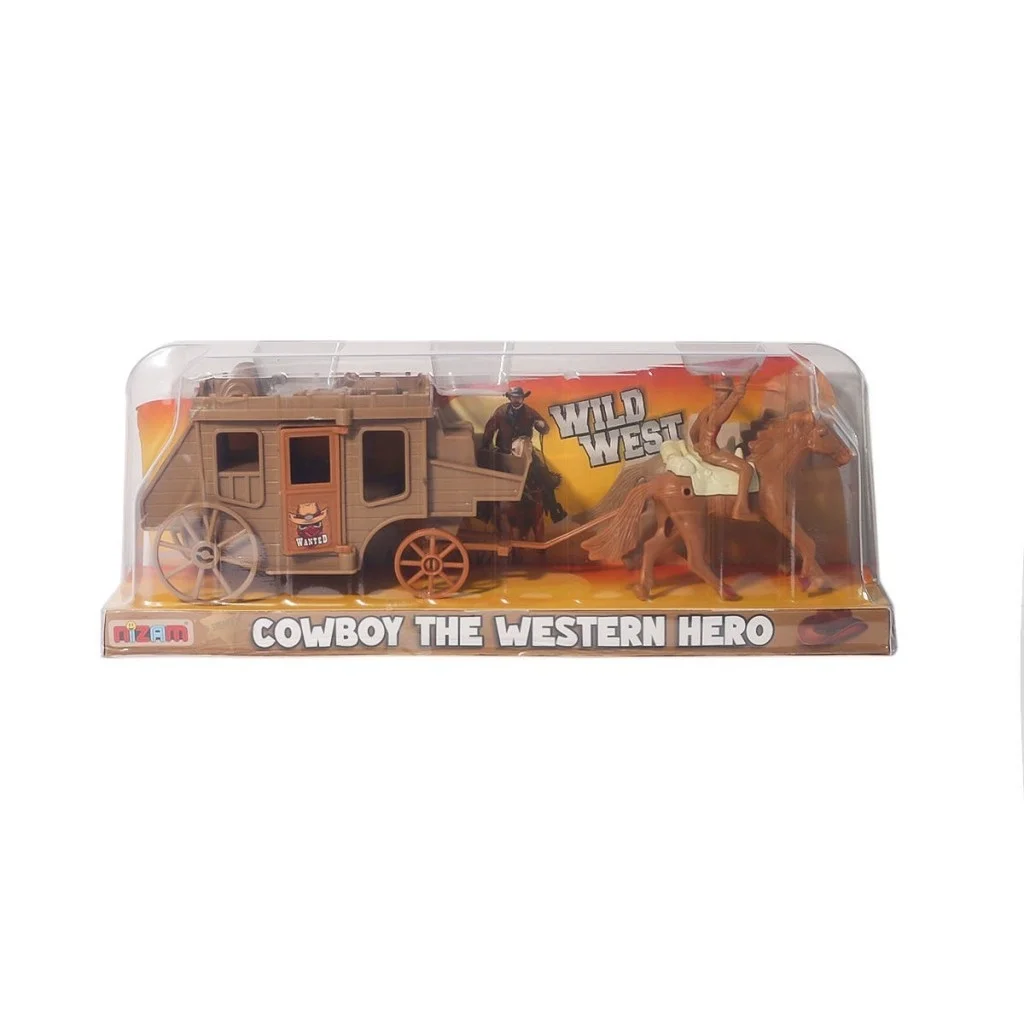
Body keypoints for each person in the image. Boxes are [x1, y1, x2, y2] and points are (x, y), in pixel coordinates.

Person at [482, 387, 567, 522]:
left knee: (543, 475)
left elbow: (544, 428)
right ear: (510, 398)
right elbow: (490, 429)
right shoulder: (501, 412)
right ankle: (485, 513)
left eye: (519, 397)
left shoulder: (529, 412)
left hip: (525, 450)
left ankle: (554, 510)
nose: (516, 400)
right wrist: (485, 446)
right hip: (504, 451)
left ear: (523, 398)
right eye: (514, 397)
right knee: (489, 477)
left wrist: (541, 425)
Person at [689, 372, 758, 521]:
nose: (721, 394)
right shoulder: (718, 413)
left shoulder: (706, 410)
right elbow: (729, 406)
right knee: (746, 469)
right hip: (711, 452)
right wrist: (737, 395)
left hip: (704, 451)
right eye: (720, 391)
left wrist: (697, 446)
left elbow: (693, 432)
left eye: (724, 392)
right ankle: (741, 509)